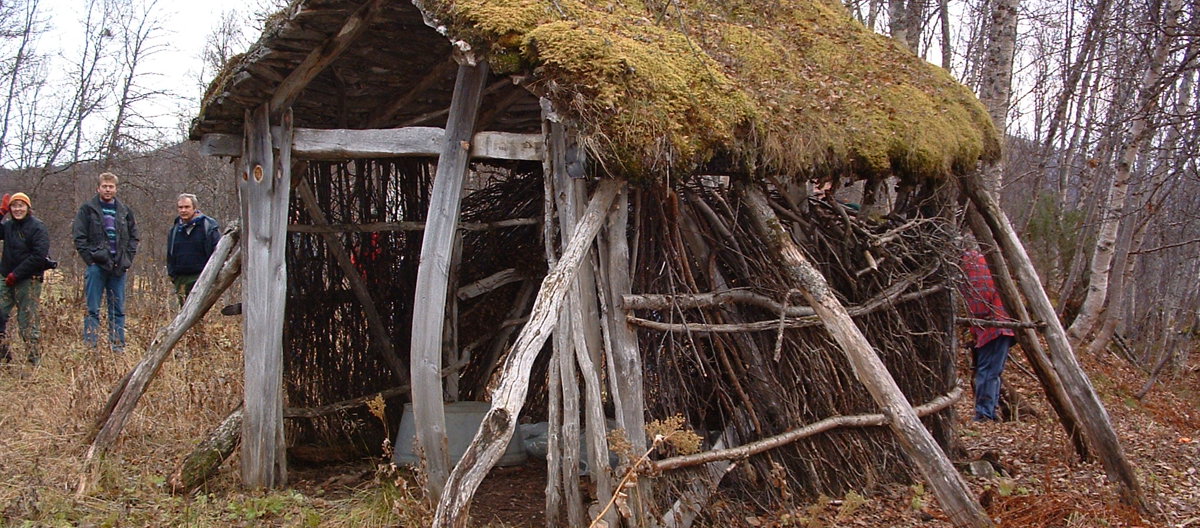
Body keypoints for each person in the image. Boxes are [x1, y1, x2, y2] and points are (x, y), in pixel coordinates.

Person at [73, 172, 139, 351]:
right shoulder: (87, 209)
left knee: (117, 310)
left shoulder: (124, 211)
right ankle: (91, 346)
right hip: (97, 266)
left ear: (116, 189)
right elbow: (79, 237)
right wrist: (90, 261)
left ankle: (117, 346)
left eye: (111, 186)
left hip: (118, 267)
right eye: (105, 186)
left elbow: (134, 237)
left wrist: (127, 260)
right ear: (98, 188)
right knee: (92, 308)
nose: (108, 189)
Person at [960, 248, 1017, 422]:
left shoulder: (974, 265)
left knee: (988, 372)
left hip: (995, 327)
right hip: (995, 327)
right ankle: (988, 411)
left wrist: (973, 321)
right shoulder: (982, 261)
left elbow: (980, 304)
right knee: (990, 371)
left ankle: (985, 414)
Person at [0, 192, 52, 365]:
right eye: (14, 206)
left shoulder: (38, 227)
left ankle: (33, 361)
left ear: (28, 208)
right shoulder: (8, 226)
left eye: (21, 205)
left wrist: (17, 274)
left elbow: (39, 256)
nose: (17, 209)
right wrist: (1, 213)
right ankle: (4, 356)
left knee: (27, 322)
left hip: (29, 279)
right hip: (6, 278)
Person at [166, 193, 220, 306]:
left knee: (200, 311)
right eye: (180, 207)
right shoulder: (175, 229)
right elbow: (170, 253)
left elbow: (218, 252)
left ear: (195, 208)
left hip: (202, 276)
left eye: (187, 207)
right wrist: (172, 274)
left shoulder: (208, 226)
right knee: (184, 312)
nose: (183, 210)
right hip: (180, 278)